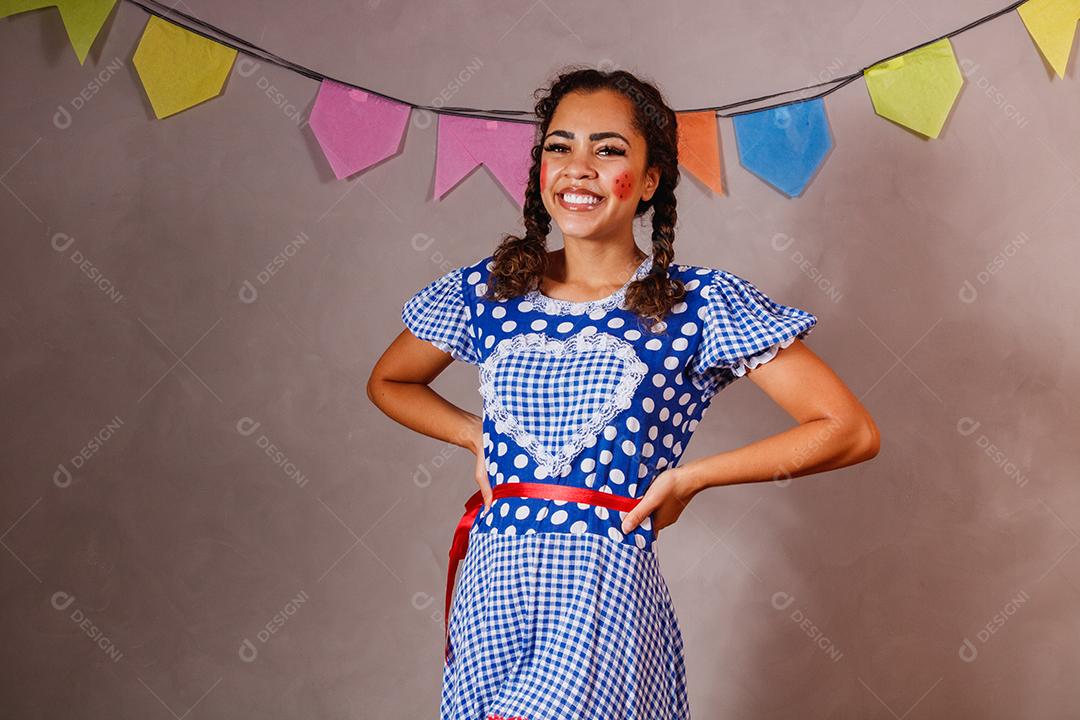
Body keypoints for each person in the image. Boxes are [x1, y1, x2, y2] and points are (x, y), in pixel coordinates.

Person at [367, 66, 880, 720]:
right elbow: (390, 380)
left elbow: (847, 428)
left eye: (607, 149)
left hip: (602, 589)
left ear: (648, 179)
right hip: (491, 586)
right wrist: (476, 433)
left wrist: (690, 480)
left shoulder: (697, 304)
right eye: (560, 146)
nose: (578, 167)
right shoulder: (491, 290)